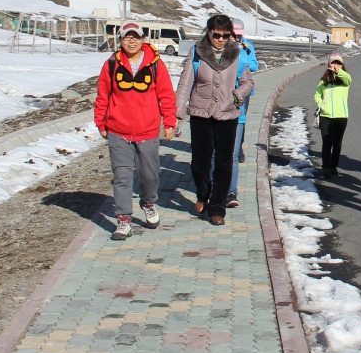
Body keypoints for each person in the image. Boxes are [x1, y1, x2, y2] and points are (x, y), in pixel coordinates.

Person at [93, 22, 178, 240]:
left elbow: (166, 95)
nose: (132, 41)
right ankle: (123, 220)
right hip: (117, 130)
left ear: (142, 39)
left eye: (136, 37)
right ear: (120, 40)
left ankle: (148, 202)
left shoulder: (155, 64)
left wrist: (169, 122)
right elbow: (103, 95)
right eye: (127, 37)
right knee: (121, 176)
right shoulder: (111, 64)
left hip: (147, 131)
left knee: (149, 175)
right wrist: (101, 123)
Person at [177, 14, 255, 226]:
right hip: (200, 113)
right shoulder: (196, 52)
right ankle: (203, 193)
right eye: (216, 35)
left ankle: (217, 208)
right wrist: (177, 113)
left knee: (224, 162)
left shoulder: (236, 53)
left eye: (225, 35)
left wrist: (237, 96)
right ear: (208, 32)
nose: (220, 39)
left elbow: (248, 82)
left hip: (227, 114)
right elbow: (185, 83)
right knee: (200, 163)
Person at [224, 18, 259, 208]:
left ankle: (239, 147)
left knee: (240, 123)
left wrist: (245, 51)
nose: (236, 38)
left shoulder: (247, 45)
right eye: (233, 35)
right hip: (222, 98)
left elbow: (253, 66)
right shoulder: (220, 45)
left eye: (239, 35)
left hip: (242, 92)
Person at [314, 53, 351, 178]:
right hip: (326, 116)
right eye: (334, 63)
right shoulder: (323, 81)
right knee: (326, 142)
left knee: (337, 143)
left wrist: (338, 72)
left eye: (339, 63)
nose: (336, 65)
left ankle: (334, 166)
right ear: (329, 64)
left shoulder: (345, 81)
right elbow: (317, 95)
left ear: (342, 65)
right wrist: (322, 105)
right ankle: (326, 167)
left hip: (341, 116)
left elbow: (348, 78)